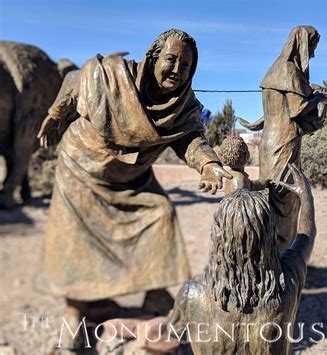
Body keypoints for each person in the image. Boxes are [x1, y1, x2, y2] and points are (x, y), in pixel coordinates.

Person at [36, 29, 231, 350]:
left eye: (185, 65)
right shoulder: (115, 76)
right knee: (79, 237)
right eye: (171, 60)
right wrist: (56, 112)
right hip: (83, 166)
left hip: (131, 176)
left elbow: (191, 139)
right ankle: (79, 307)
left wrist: (208, 164)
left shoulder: (183, 105)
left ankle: (154, 293)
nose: (177, 70)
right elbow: (77, 77)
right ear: (153, 57)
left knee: (160, 213)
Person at [169, 164, 317, 354]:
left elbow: (174, 336)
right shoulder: (287, 282)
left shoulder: (191, 295)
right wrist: (306, 196)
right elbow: (306, 235)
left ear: (218, 235)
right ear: (270, 233)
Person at [258, 25, 325, 250]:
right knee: (285, 197)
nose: (313, 53)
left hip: (270, 142)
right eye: (312, 47)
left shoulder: (274, 70)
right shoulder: (288, 71)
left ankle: (271, 252)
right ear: (304, 45)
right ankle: (281, 256)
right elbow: (297, 109)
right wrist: (318, 98)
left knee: (272, 196)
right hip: (283, 143)